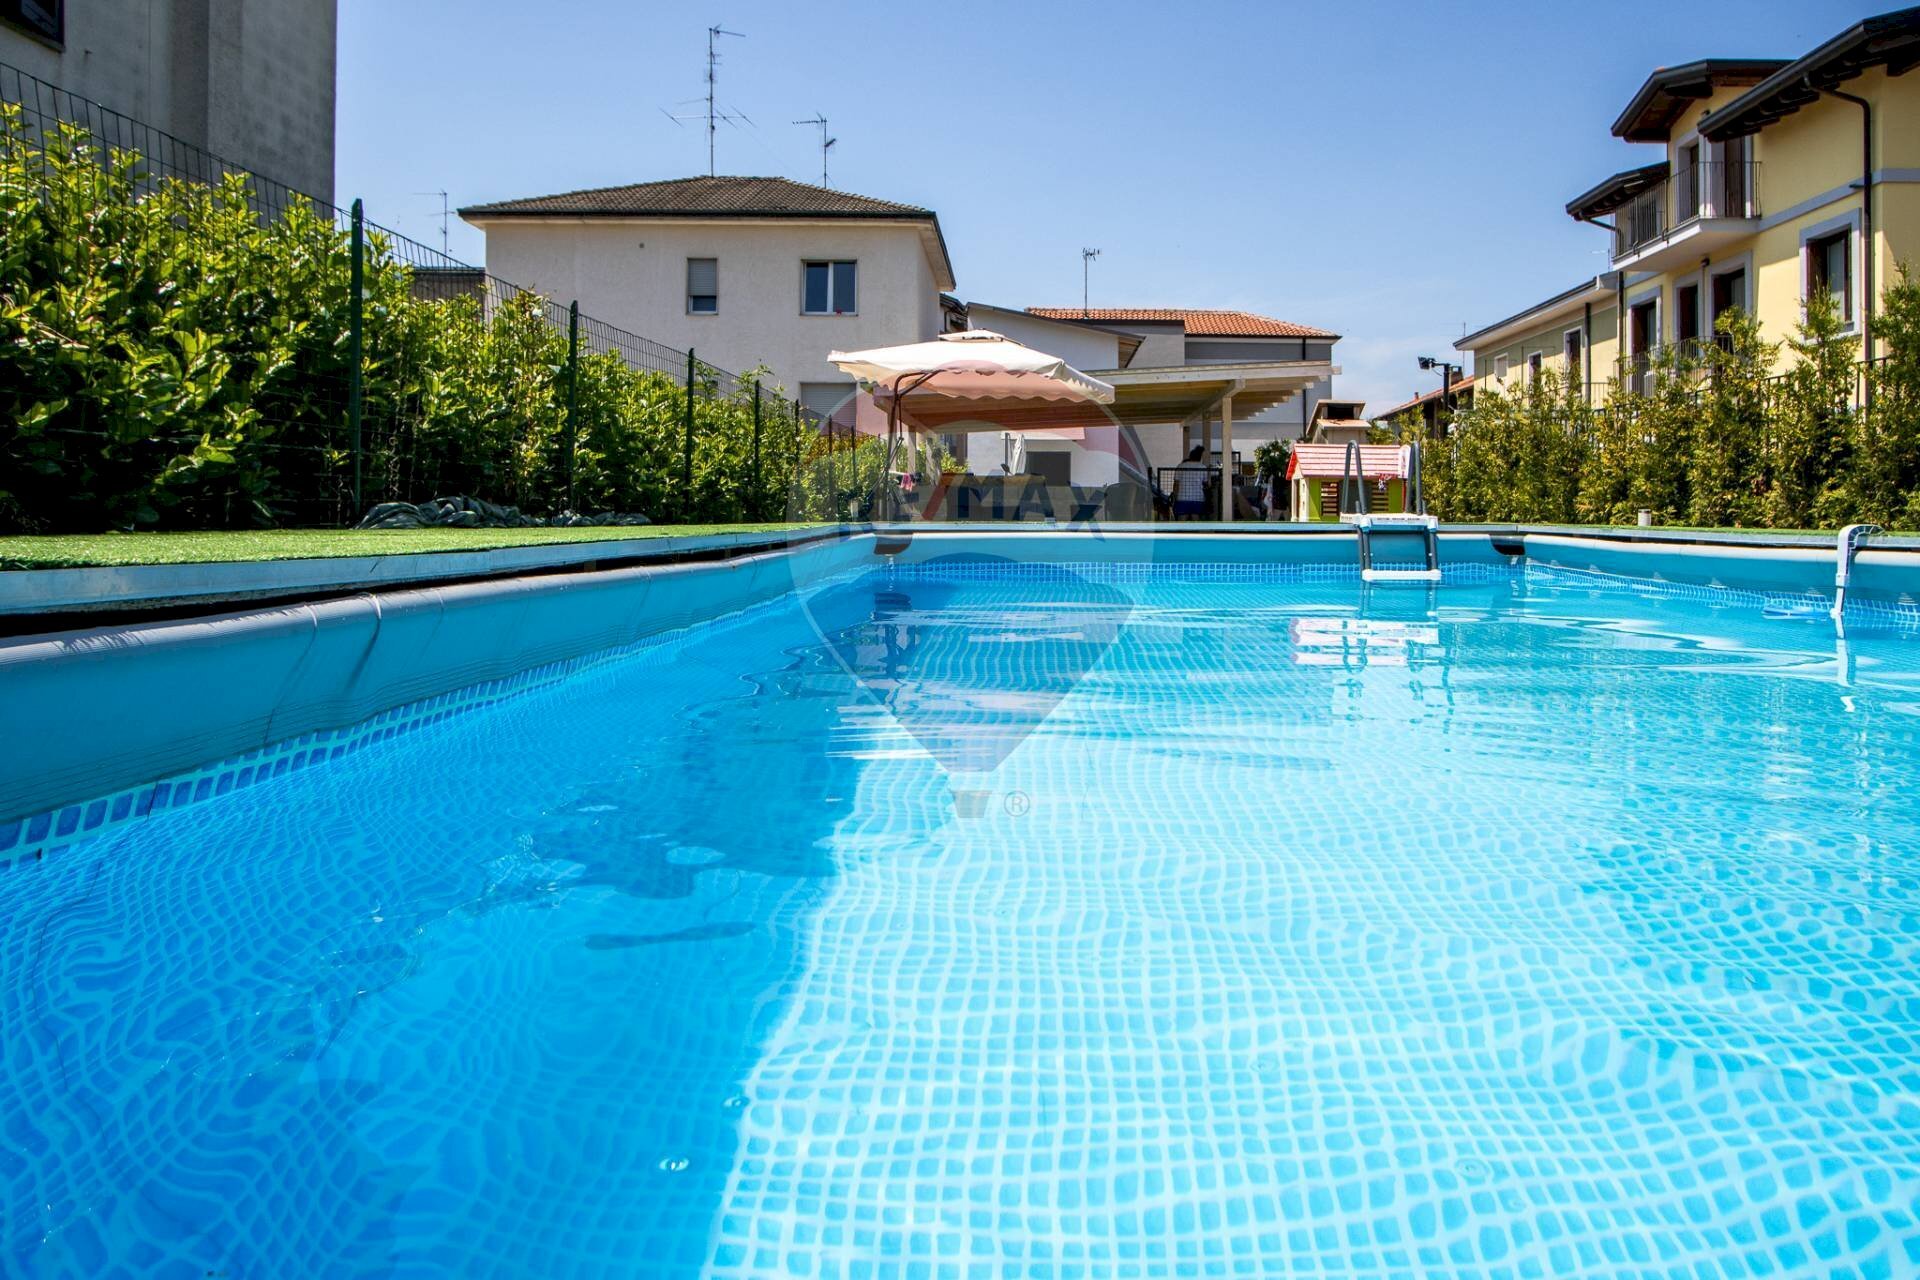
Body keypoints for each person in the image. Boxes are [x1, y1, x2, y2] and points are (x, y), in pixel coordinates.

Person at [1170, 445, 1210, 520]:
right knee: (1196, 519)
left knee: (1182, 520)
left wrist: (1174, 496)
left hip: (1182, 497)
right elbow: (1206, 484)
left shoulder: (1180, 466)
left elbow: (1176, 484)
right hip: (1198, 498)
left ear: (1190, 456)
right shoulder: (1203, 467)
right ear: (1200, 457)